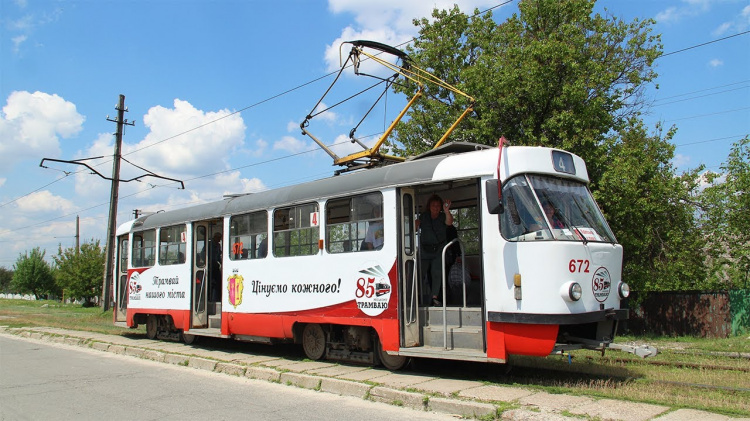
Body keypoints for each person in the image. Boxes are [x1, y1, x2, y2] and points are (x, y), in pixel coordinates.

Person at [418, 194, 453, 306]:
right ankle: (416, 295)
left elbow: (449, 222)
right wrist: (415, 224)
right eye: (433, 205)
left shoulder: (443, 216)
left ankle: (434, 297)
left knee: (437, 272)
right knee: (420, 272)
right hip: (425, 249)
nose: (436, 207)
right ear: (429, 206)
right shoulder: (424, 216)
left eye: (438, 205)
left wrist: (447, 211)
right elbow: (416, 226)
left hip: (439, 249)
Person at [209, 232, 222, 302]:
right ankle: (213, 299)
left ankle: (217, 298)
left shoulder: (218, 245)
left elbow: (219, 256)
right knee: (214, 283)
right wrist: (208, 261)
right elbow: (203, 253)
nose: (219, 240)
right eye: (219, 238)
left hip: (216, 266)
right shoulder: (209, 244)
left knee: (219, 282)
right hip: (210, 267)